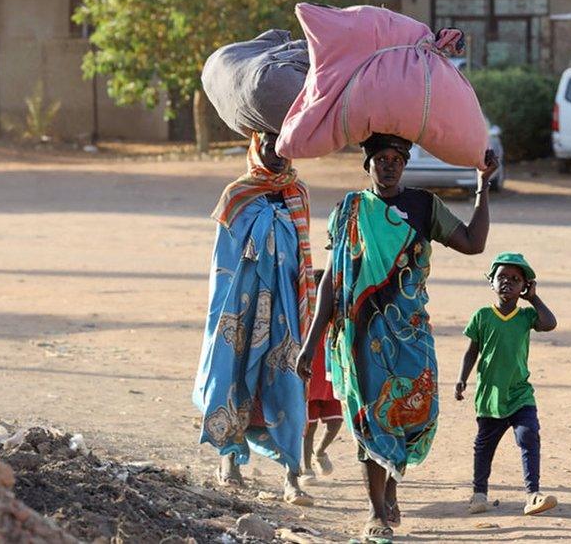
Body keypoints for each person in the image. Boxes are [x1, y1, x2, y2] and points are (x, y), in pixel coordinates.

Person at [295, 133, 499, 541]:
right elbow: (333, 283)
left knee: (412, 413)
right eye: (381, 159)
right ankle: (376, 514)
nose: (389, 165)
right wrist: (311, 341)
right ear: (366, 164)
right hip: (359, 336)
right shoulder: (349, 210)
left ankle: (390, 485)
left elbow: (474, 245)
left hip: (411, 333)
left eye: (397, 159)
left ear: (405, 165)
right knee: (370, 419)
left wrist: (482, 185)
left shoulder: (424, 205)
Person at [192, 131, 316, 506]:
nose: (277, 155)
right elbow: (222, 265)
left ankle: (293, 476)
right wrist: (223, 319)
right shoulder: (236, 196)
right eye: (269, 146)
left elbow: (302, 259)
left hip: (285, 309)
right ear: (255, 146)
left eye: (284, 147)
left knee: (289, 386)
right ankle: (229, 459)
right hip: (240, 308)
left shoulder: (298, 195)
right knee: (232, 375)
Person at [454, 252, 559, 516]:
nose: (507, 283)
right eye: (501, 277)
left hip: (520, 393)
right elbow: (471, 351)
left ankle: (533, 494)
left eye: (515, 279)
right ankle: (479, 494)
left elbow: (550, 323)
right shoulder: (482, 316)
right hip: (490, 395)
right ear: (491, 282)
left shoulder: (525, 317)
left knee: (528, 436)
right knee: (484, 446)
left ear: (524, 286)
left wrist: (534, 298)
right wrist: (461, 379)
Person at [301, 268, 344, 481]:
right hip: (310, 383)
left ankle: (320, 451)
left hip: (329, 383)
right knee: (309, 427)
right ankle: (306, 467)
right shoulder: (306, 320)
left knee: (335, 422)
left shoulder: (335, 321)